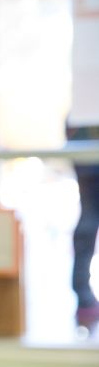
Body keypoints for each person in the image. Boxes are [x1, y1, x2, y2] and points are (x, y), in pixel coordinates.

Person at [67, 124, 99, 333]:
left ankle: (84, 298)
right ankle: (84, 298)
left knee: (87, 221)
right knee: (88, 221)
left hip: (84, 141)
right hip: (86, 144)